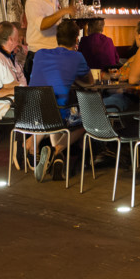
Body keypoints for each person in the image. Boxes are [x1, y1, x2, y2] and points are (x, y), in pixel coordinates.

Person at [29, 19, 93, 181]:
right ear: (76, 39)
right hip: (56, 115)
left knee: (57, 110)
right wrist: (74, 78)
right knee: (86, 121)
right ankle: (56, 150)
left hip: (30, 114)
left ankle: (49, 153)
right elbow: (90, 82)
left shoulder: (40, 54)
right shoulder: (77, 57)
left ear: (56, 38)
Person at [23, 0, 76, 81]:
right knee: (41, 96)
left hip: (54, 54)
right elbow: (42, 25)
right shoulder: (33, 1)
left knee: (54, 94)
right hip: (38, 55)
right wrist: (62, 12)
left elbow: (55, 24)